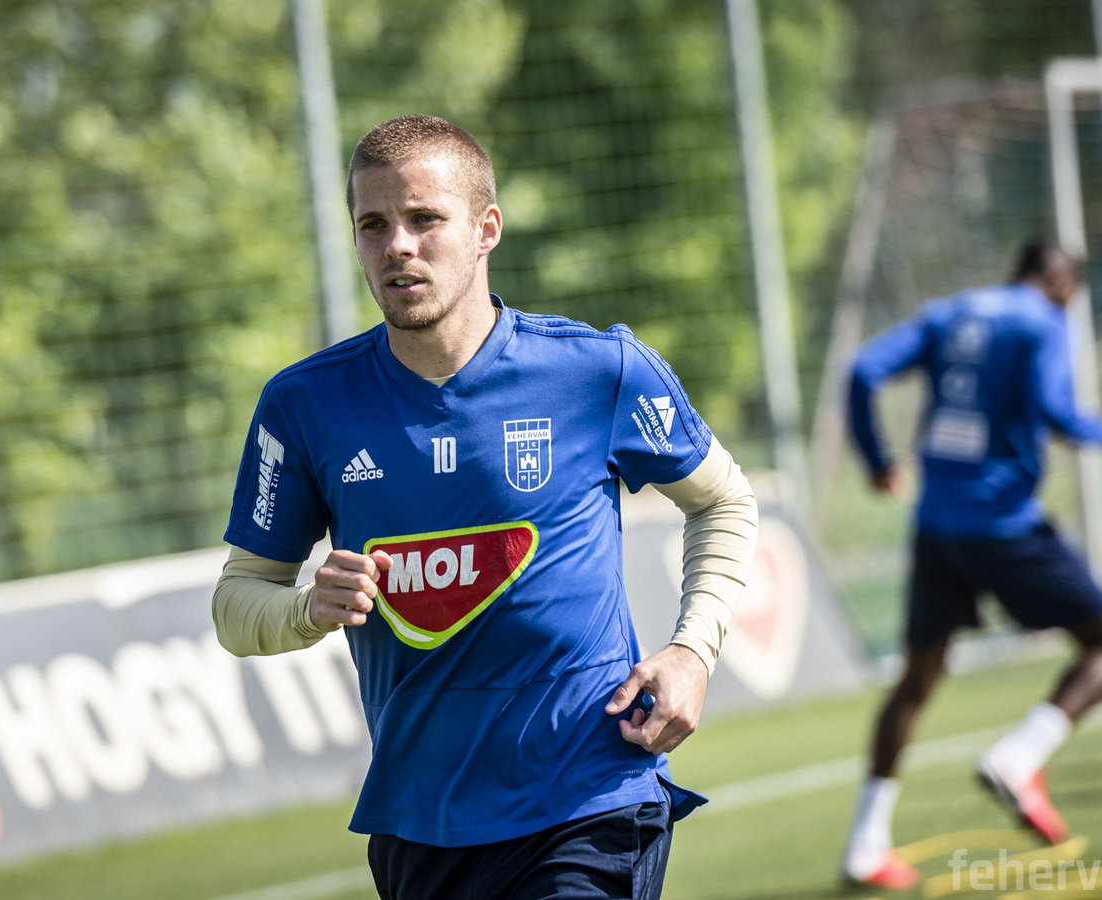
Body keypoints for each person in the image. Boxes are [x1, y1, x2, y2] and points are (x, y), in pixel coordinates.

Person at [213, 115, 759, 900]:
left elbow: (725, 503)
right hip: (419, 822)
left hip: (588, 793)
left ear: (485, 230)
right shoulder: (305, 405)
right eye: (373, 225)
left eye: (424, 218)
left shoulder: (597, 371)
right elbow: (236, 604)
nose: (398, 245)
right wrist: (307, 608)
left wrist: (692, 652)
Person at [838, 240, 1102, 889]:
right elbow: (1056, 409)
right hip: (1004, 524)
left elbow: (862, 371)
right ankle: (1019, 757)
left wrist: (877, 461)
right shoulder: (1042, 322)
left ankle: (865, 843)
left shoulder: (947, 313)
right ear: (1061, 284)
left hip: (936, 528)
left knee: (915, 681)